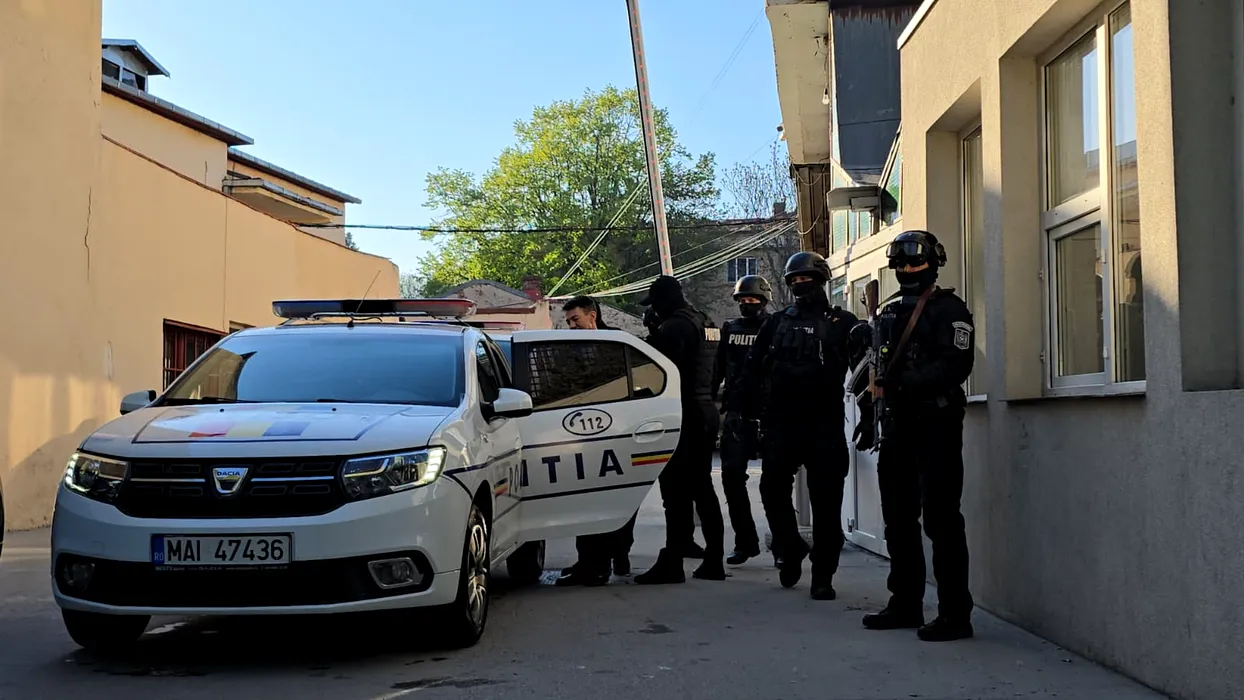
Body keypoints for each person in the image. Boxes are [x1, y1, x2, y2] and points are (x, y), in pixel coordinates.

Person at [854, 230, 976, 642]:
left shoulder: (949, 310)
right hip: (897, 425)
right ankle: (905, 603)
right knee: (898, 519)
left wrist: (908, 382)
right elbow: (876, 369)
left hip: (936, 424)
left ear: (933, 264)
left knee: (941, 520)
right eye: (900, 264)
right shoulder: (888, 313)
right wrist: (870, 413)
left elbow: (957, 365)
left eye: (915, 262)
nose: (907, 269)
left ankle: (955, 614)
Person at [742, 251, 866, 600]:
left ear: (821, 280)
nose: (800, 285)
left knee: (826, 504)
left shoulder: (842, 322)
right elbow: (752, 371)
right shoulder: (776, 323)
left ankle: (823, 575)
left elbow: (864, 375)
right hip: (782, 423)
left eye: (806, 278)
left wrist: (870, 416)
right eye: (794, 280)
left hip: (824, 425)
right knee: (771, 490)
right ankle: (790, 546)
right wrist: (745, 418)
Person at [633, 275, 727, 584]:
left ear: (664, 301)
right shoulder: (704, 321)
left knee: (676, 490)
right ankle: (711, 558)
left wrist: (653, 337)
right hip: (705, 408)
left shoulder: (674, 328)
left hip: (683, 413)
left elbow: (655, 371)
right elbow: (714, 367)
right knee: (701, 488)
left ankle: (672, 563)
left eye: (655, 304)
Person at [555, 295, 637, 586]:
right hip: (585, 434)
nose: (572, 326)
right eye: (568, 322)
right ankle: (594, 561)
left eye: (575, 319)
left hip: (615, 432)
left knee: (612, 498)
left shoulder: (616, 344)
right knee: (588, 501)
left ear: (593, 315)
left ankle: (603, 562)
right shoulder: (574, 349)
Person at [711, 274, 772, 566]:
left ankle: (783, 544)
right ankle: (745, 541)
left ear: (764, 300)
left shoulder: (775, 327)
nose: (747, 304)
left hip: (769, 413)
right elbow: (717, 369)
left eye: (753, 299)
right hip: (737, 414)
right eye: (743, 300)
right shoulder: (731, 329)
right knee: (731, 479)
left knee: (774, 484)